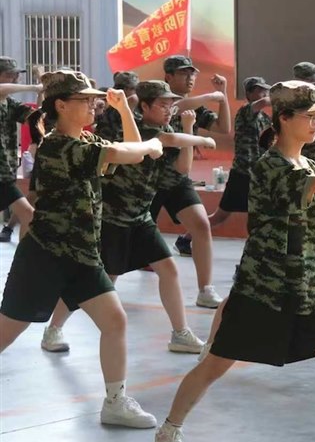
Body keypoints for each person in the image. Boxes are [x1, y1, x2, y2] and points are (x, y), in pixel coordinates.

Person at [151, 81, 315, 442]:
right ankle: (169, 430)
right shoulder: (270, 165)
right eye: (310, 117)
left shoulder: (310, 163)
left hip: (309, 283)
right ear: (284, 118)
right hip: (265, 287)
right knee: (216, 363)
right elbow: (314, 186)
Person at [0, 70, 164, 428]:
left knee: (115, 321)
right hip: (45, 255)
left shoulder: (85, 140)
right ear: (60, 105)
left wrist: (124, 111)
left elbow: (133, 155)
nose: (93, 105)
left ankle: (115, 402)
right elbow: (126, 152)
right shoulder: (60, 146)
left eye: (94, 99)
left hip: (82, 254)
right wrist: (152, 145)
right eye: (84, 100)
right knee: (7, 331)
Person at [39, 80, 216, 354]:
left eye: (171, 105)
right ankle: (53, 328)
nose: (169, 110)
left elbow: (183, 168)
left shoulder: (168, 130)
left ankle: (180, 333)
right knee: (99, 281)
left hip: (140, 216)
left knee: (168, 269)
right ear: (144, 106)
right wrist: (202, 139)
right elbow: (166, 141)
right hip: (114, 218)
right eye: (162, 104)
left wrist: (190, 129)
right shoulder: (137, 129)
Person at [150, 55, 230, 309]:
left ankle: (205, 289)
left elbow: (223, 128)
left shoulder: (194, 108)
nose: (190, 78)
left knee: (201, 226)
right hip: (148, 182)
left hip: (177, 180)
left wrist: (223, 95)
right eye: (184, 73)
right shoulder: (158, 101)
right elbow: (177, 105)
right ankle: (93, 291)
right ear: (169, 76)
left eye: (192, 73)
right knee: (124, 243)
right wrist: (210, 96)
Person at [206, 75, 271, 230]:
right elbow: (263, 102)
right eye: (260, 90)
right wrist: (285, 98)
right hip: (242, 173)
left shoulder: (264, 118)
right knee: (220, 216)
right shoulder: (245, 111)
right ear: (248, 93)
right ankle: (186, 237)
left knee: (262, 214)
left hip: (258, 173)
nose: (264, 94)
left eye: (266, 91)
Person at [0, 56, 42, 242]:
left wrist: (41, 92)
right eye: (10, 75)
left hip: (5, 174)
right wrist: (34, 88)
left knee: (29, 215)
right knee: (28, 214)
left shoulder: (10, 104)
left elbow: (36, 118)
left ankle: (22, 258)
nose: (15, 79)